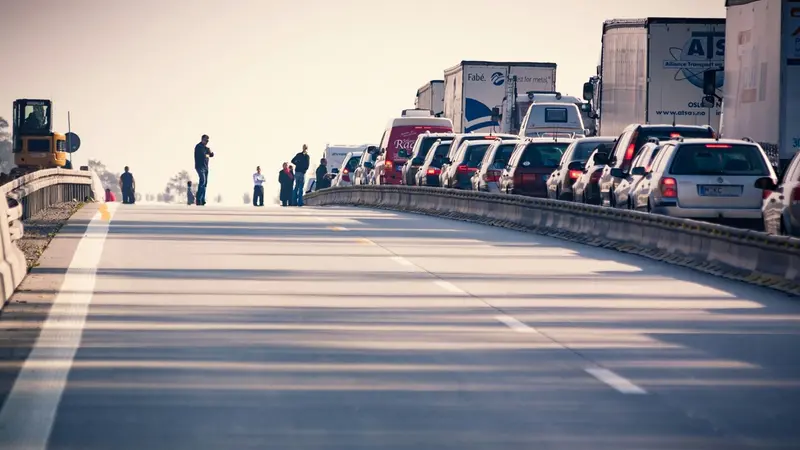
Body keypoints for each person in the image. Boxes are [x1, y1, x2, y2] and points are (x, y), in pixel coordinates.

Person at [194, 134, 214, 206]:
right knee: (202, 181)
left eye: (208, 140)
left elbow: (211, 155)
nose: (207, 141)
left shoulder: (206, 148)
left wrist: (209, 153)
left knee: (205, 184)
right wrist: (208, 153)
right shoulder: (198, 147)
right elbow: (203, 155)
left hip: (205, 167)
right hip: (199, 166)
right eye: (206, 140)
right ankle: (198, 199)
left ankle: (202, 200)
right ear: (202, 139)